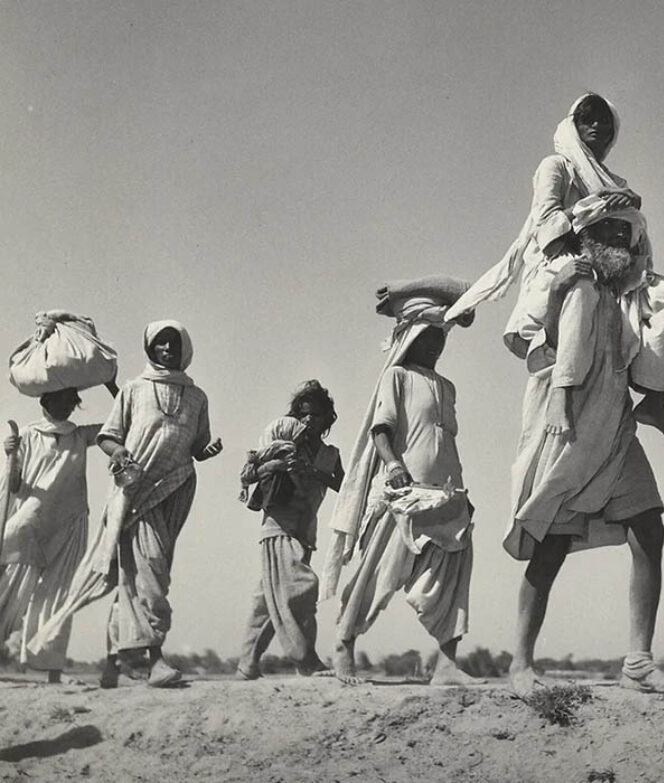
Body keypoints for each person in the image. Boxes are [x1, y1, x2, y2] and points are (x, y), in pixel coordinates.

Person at [505, 207, 664, 699]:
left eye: (623, 231)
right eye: (605, 229)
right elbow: (518, 339)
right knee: (550, 539)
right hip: (566, 420)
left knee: (649, 526)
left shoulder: (635, 293)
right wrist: (555, 292)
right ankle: (520, 663)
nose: (615, 238)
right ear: (586, 236)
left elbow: (648, 364)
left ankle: (638, 662)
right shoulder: (562, 275)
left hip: (615, 425)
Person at [445, 93, 664, 447]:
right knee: (580, 286)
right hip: (563, 258)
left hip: (612, 265)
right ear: (573, 124)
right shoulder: (556, 166)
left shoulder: (615, 181)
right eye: (587, 119)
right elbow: (548, 223)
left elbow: (628, 233)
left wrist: (626, 206)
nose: (595, 126)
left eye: (604, 122)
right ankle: (562, 390)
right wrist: (599, 208)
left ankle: (654, 397)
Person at [31, 321, 222, 688]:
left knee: (135, 577)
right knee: (150, 571)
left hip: (177, 487)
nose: (167, 348)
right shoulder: (134, 390)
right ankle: (156, 659)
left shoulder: (197, 397)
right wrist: (120, 454)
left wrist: (207, 451)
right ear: (150, 348)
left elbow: (197, 445)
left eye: (173, 342)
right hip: (135, 491)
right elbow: (108, 436)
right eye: (160, 343)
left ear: (184, 348)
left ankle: (112, 662)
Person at [322, 277, 480, 686]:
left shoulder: (447, 386)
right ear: (411, 336)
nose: (437, 343)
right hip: (404, 494)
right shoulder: (397, 377)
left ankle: (447, 664)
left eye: (441, 336)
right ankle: (344, 643)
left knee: (451, 577)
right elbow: (381, 430)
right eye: (429, 335)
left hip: (447, 494)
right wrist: (393, 466)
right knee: (375, 576)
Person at [0, 386, 114, 683]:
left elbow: (123, 420)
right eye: (59, 398)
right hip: (30, 520)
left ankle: (53, 672)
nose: (65, 404)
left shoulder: (80, 435)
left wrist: (111, 383)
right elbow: (14, 486)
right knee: (8, 589)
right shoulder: (26, 435)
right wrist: (9, 454)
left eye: (70, 400)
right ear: (45, 401)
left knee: (59, 595)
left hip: (70, 521)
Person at [236, 380, 343, 679]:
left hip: (305, 532)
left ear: (327, 419)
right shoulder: (281, 444)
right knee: (300, 588)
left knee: (267, 600)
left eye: (316, 415)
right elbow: (250, 474)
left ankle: (247, 663)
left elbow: (346, 486)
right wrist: (279, 466)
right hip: (278, 527)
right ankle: (306, 659)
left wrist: (312, 472)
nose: (308, 420)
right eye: (303, 414)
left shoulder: (330, 454)